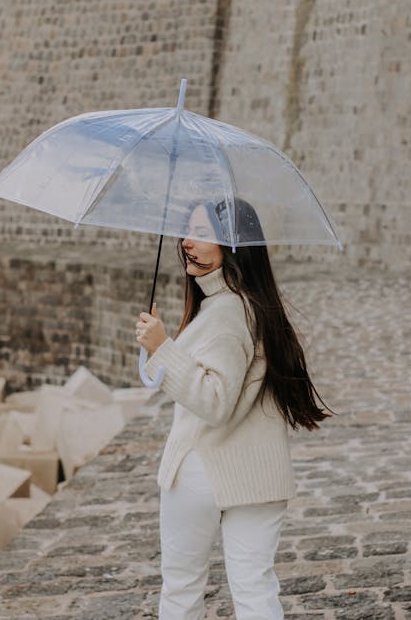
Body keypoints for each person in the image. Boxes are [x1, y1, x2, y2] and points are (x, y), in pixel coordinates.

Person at [134, 197, 331, 620]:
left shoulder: (226, 313)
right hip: (258, 472)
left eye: (202, 235)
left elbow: (215, 401)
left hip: (202, 469)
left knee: (182, 588)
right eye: (187, 232)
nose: (187, 242)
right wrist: (161, 347)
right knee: (255, 589)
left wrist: (162, 350)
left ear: (233, 246)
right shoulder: (253, 306)